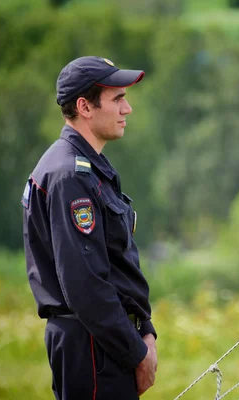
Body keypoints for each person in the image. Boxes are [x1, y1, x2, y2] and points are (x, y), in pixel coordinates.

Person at [21, 56, 157, 399]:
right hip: (93, 345)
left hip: (105, 340)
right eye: (117, 99)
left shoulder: (90, 168)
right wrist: (136, 353)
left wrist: (145, 329)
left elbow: (116, 265)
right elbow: (86, 286)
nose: (127, 109)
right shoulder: (70, 175)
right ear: (84, 106)